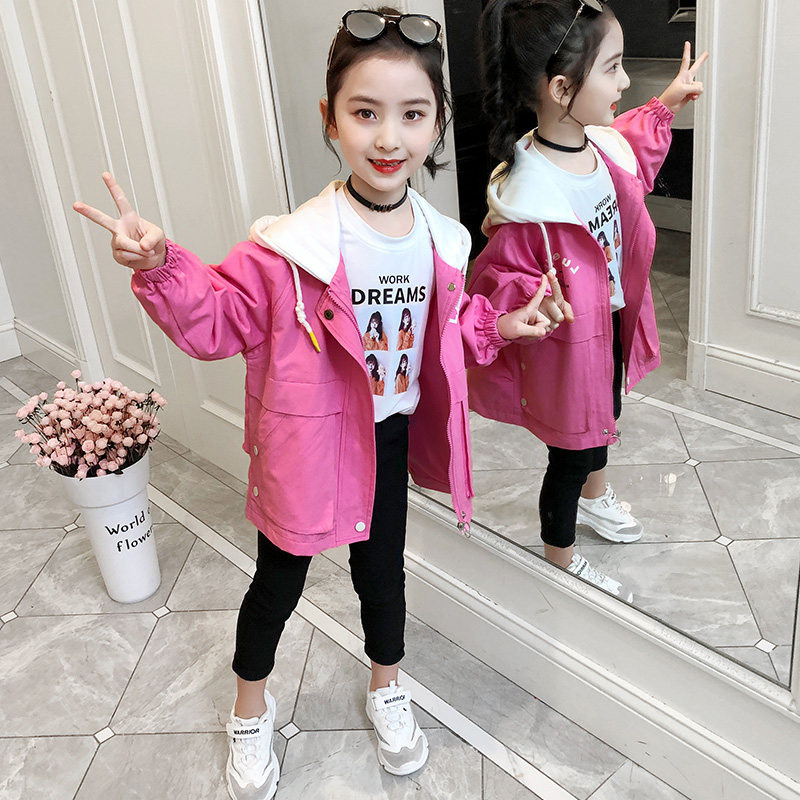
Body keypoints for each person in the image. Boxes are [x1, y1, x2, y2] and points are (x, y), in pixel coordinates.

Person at [73, 7, 555, 798]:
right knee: (279, 581)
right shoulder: (289, 248)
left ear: (438, 122)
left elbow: (447, 324)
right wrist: (160, 264)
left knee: (383, 575)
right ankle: (249, 709)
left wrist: (500, 324)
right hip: (309, 440)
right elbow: (218, 319)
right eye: (365, 113)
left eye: (413, 114)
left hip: (389, 435)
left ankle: (386, 687)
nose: (389, 138)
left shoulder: (441, 241)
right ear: (329, 118)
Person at [468, 0, 707, 600]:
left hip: (612, 321)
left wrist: (669, 101)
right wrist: (528, 304)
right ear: (560, 88)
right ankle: (561, 557)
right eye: (613, 67)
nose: (625, 82)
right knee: (573, 451)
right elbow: (499, 279)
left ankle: (596, 501)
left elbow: (632, 142)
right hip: (569, 342)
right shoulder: (530, 195)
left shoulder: (599, 147)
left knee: (606, 417)